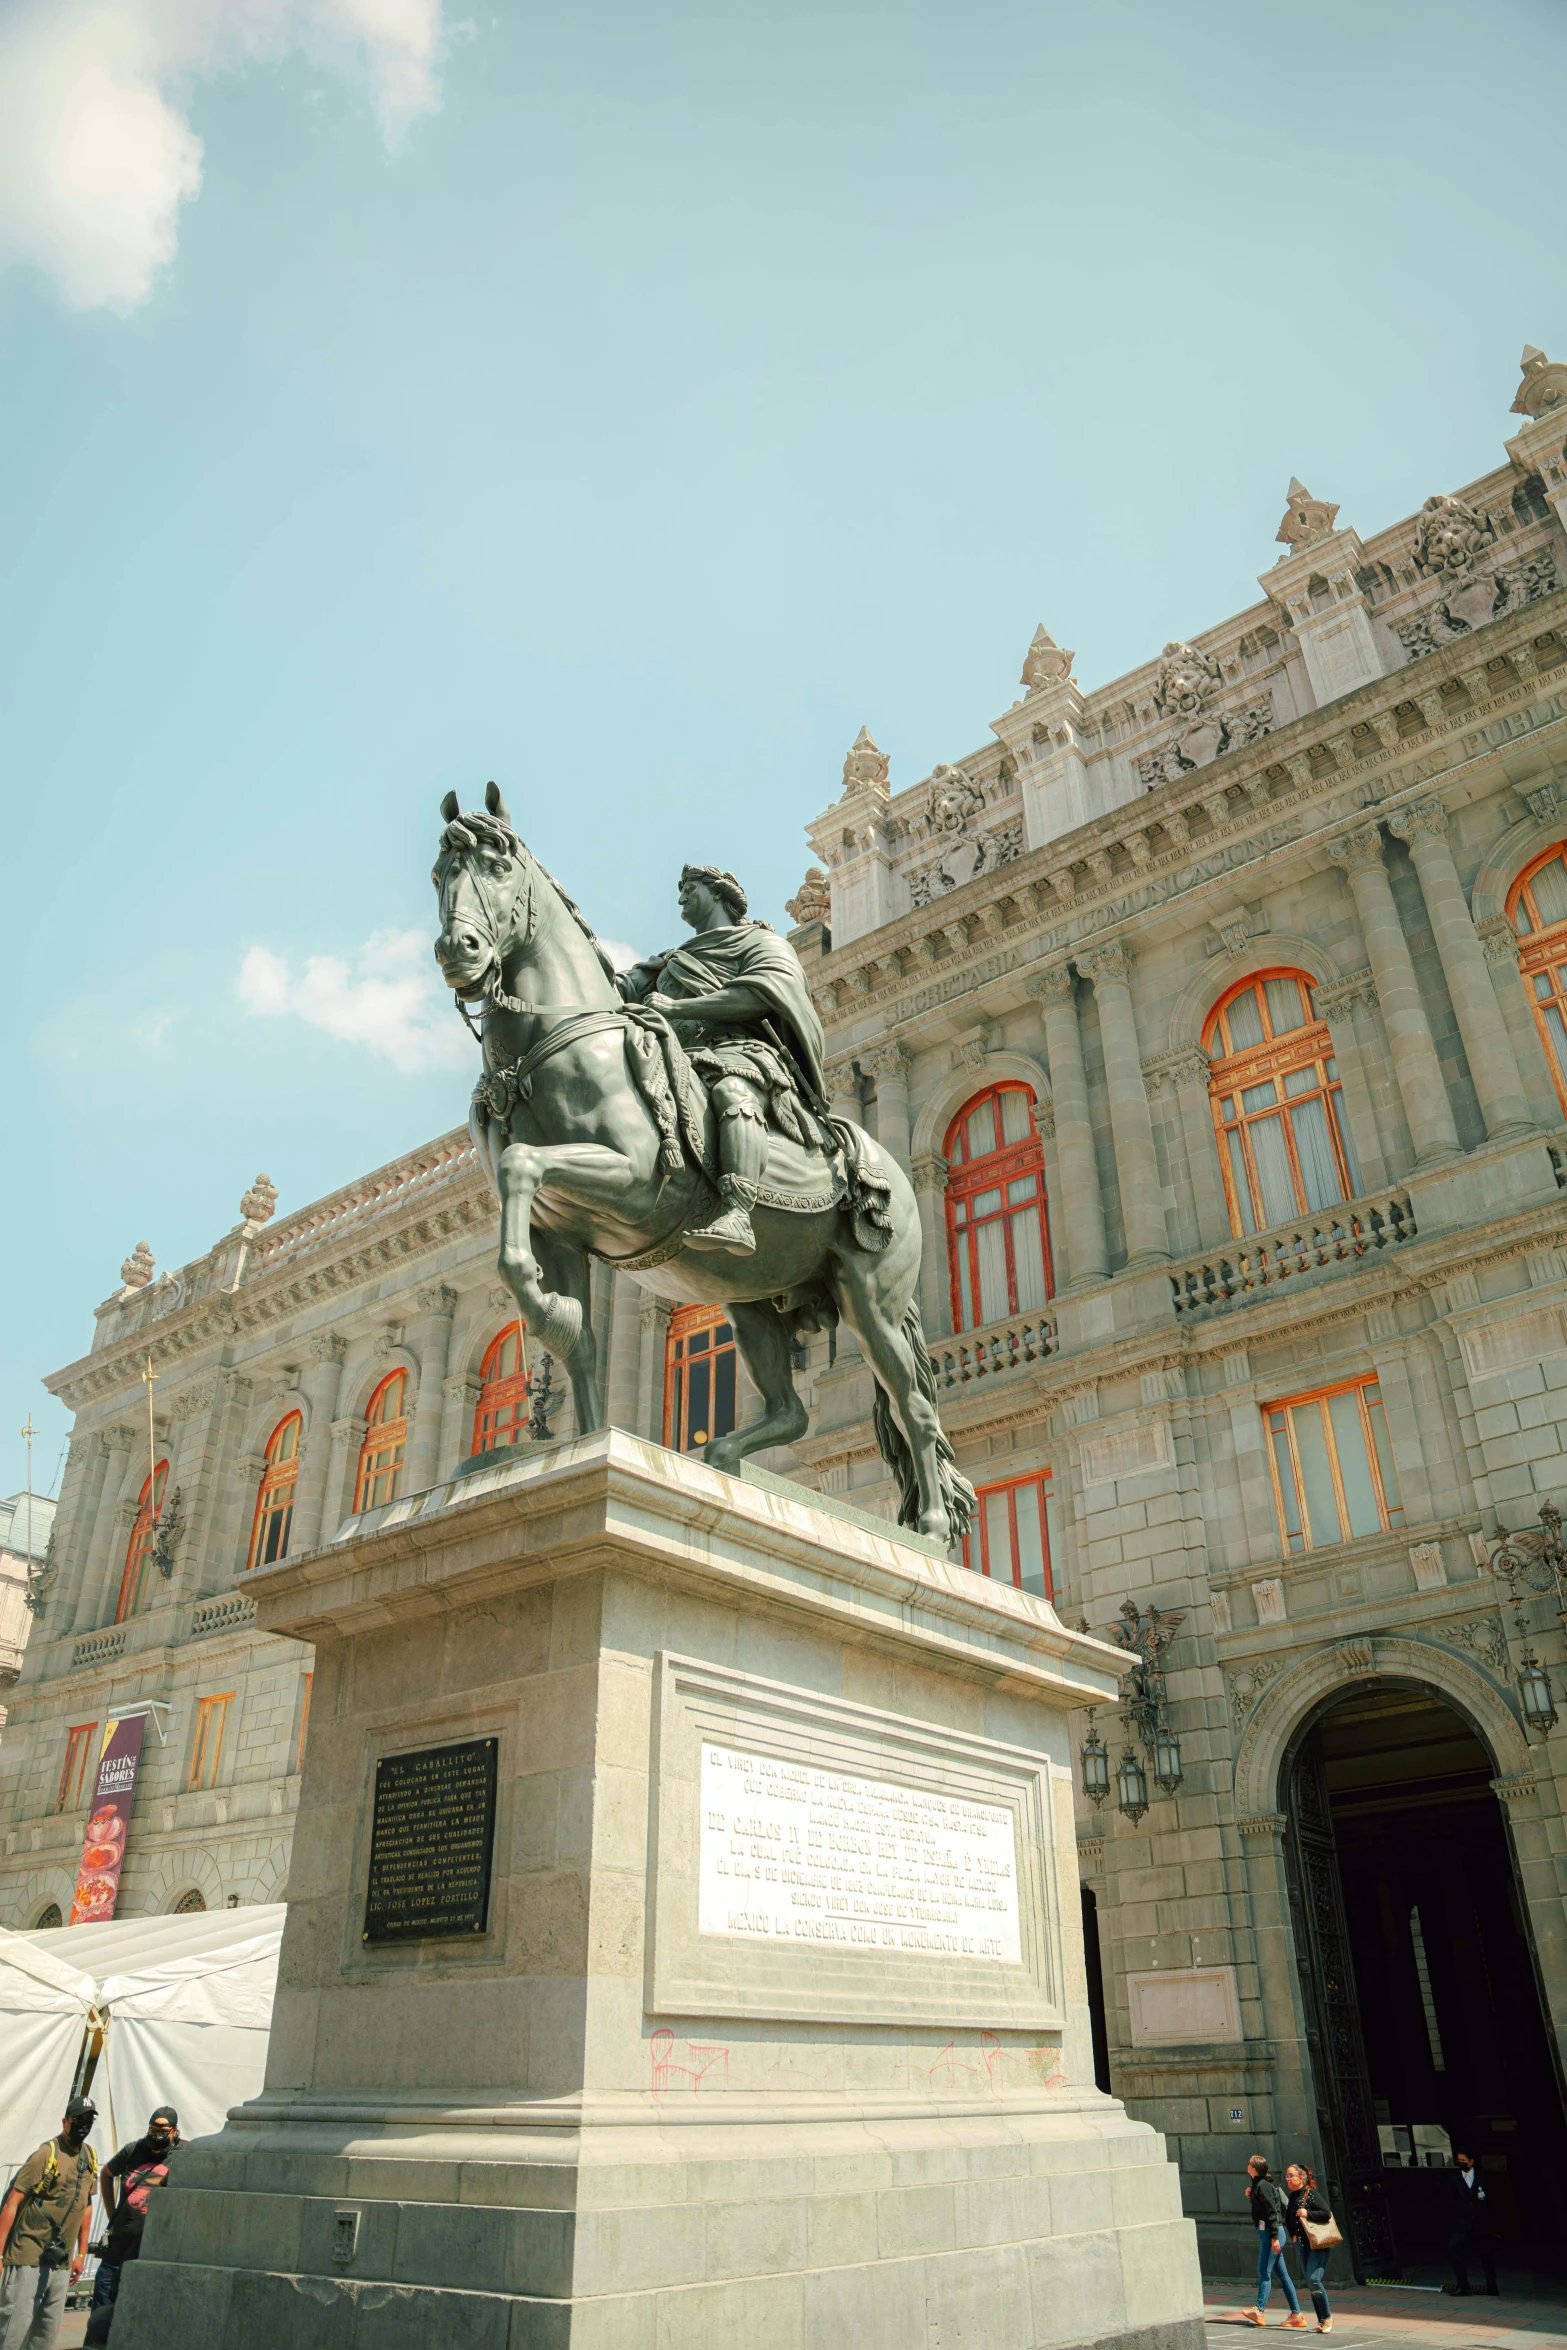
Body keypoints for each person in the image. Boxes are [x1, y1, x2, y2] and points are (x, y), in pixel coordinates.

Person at [617, 864, 834, 1256]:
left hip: (741, 1051)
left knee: (733, 1092)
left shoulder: (761, 943)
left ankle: (737, 1210)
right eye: (679, 888)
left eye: (689, 887)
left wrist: (677, 1008)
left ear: (719, 893)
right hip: (676, 1058)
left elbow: (759, 995)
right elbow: (619, 990)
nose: (680, 895)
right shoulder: (671, 960)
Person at [0, 2097, 98, 2350]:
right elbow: (13, 2202)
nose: (83, 2126)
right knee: (15, 2328)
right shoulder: (46, 2153)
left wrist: (82, 2253)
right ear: (65, 2121)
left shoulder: (89, 2155)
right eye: (78, 2120)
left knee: (46, 2330)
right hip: (28, 2251)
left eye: (88, 2120)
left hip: (61, 2258)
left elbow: (86, 2206)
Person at [85, 2108, 182, 2344]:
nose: (157, 2134)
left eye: (162, 2130)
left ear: (174, 2131)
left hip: (150, 2247)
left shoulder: (184, 2154)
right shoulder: (134, 2149)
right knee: (103, 2299)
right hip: (119, 2242)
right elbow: (106, 2174)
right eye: (153, 2128)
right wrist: (111, 2214)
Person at [1243, 2155, 1304, 2326]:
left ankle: (1259, 2310)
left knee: (1263, 2270)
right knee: (1283, 2276)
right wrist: (1251, 2195)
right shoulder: (1259, 2185)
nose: (1247, 2165)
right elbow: (1263, 2208)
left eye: (1249, 2164)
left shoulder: (1263, 2186)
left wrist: (1275, 2237)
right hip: (1269, 2234)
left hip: (1272, 2235)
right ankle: (1297, 2315)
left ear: (1254, 2169)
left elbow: (1273, 2212)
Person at [1283, 2162, 1334, 2333]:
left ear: (1301, 2177)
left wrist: (1307, 2213)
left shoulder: (1310, 2194)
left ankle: (1327, 2317)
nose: (1288, 2178)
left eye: (1291, 2175)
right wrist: (1294, 2236)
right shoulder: (1292, 2196)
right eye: (1287, 2176)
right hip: (1302, 2244)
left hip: (1317, 2243)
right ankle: (1320, 2320)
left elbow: (1326, 2213)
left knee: (1314, 2280)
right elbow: (1289, 2217)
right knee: (1311, 2283)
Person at [1443, 2149, 1498, 2297]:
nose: (1460, 2163)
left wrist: (1493, 2224)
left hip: (1481, 2223)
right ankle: (1463, 2286)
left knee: (1486, 2255)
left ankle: (1492, 2286)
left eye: (1463, 2160)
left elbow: (1492, 2201)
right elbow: (1450, 2201)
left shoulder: (1482, 2177)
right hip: (1463, 2224)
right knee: (1453, 2247)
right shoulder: (1454, 2178)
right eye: (1458, 2161)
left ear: (1471, 2161)